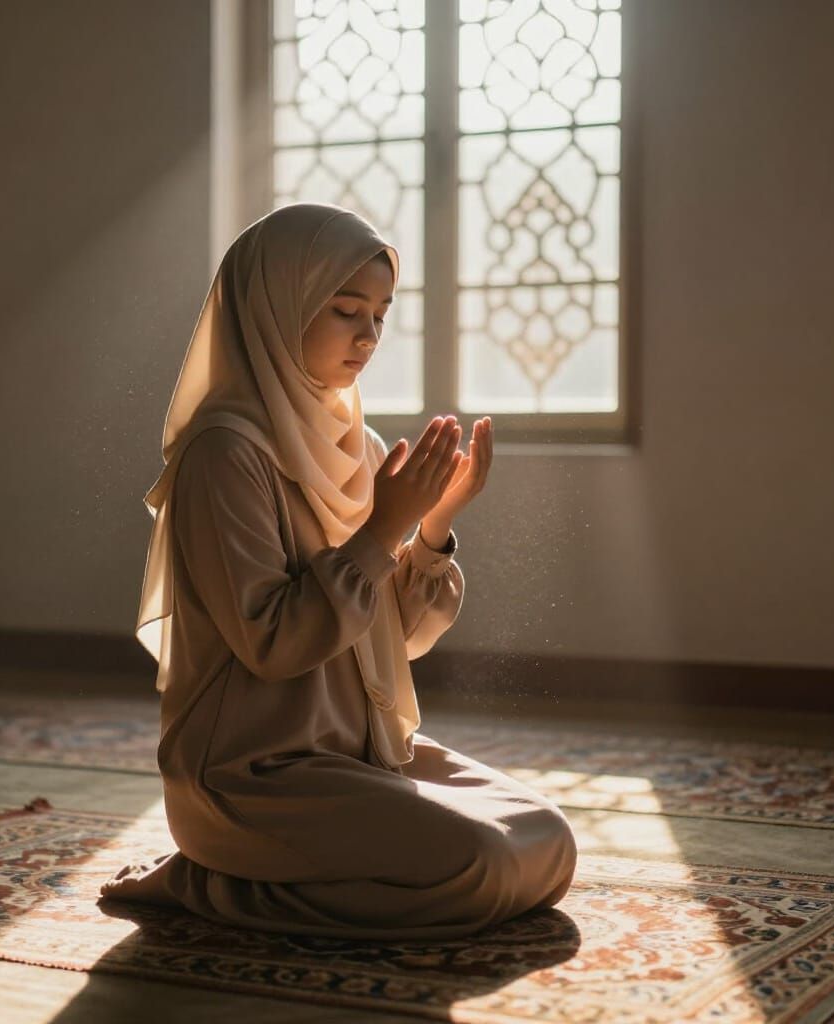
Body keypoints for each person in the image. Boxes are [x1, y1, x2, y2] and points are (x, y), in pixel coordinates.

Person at [98, 202, 578, 940]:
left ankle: (276, 871)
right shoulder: (223, 455)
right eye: (346, 309)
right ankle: (211, 882)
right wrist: (384, 527)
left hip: (362, 754)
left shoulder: (358, 441)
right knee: (480, 865)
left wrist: (432, 526)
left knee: (548, 843)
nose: (368, 335)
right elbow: (275, 644)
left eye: (381, 314)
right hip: (253, 777)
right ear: (277, 306)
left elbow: (403, 640)